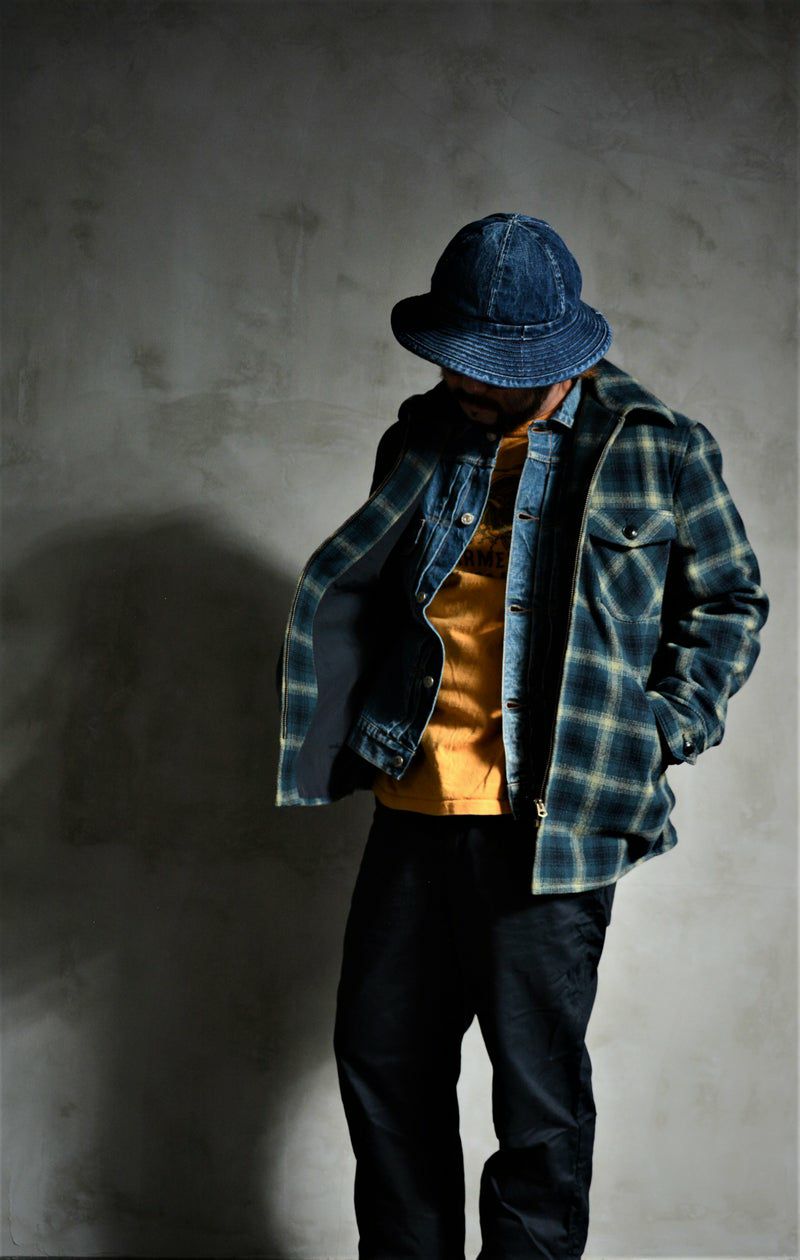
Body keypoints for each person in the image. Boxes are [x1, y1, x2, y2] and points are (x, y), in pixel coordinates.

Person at [274, 213, 769, 1259]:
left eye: (487, 366)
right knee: (385, 1075)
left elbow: (728, 599)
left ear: (553, 356)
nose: (462, 379)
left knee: (537, 1108)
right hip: (412, 808)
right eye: (453, 356)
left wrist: (658, 728)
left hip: (553, 825)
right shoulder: (420, 433)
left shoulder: (658, 445)